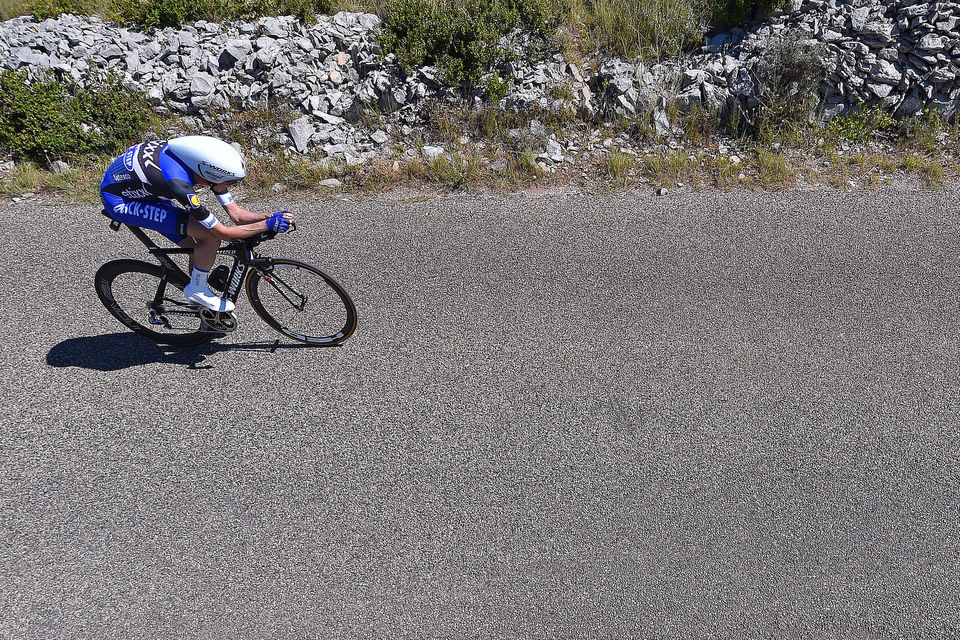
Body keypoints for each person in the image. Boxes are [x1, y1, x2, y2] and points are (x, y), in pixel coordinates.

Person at [100, 135, 293, 313]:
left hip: (145, 190)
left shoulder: (193, 159)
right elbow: (223, 233)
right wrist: (268, 225)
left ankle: (198, 298)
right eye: (229, 182)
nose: (230, 187)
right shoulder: (179, 183)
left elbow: (237, 215)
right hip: (121, 202)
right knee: (209, 237)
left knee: (196, 246)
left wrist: (268, 217)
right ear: (209, 173)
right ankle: (198, 290)